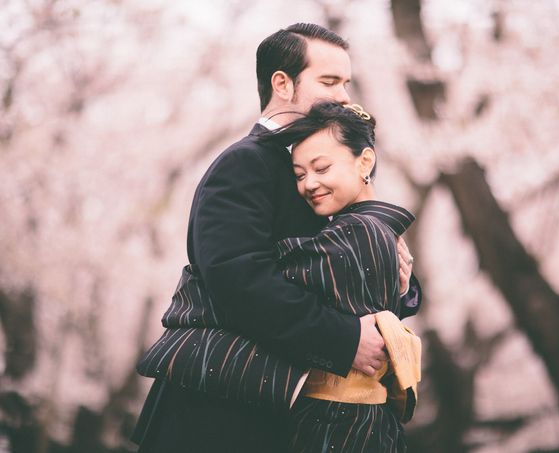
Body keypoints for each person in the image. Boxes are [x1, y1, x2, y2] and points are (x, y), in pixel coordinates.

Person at [131, 23, 421, 453]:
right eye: (329, 81)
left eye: (346, 82)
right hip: (216, 415)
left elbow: (342, 277)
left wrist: (401, 284)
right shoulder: (244, 164)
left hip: (289, 417)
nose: (344, 95)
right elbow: (236, 278)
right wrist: (343, 340)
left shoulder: (322, 166)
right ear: (282, 83)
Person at [266, 100, 420, 452]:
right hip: (360, 421)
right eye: (300, 175)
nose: (309, 184)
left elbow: (265, 279)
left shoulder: (355, 230)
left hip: (338, 422)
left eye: (321, 168)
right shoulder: (376, 229)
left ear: (364, 161)